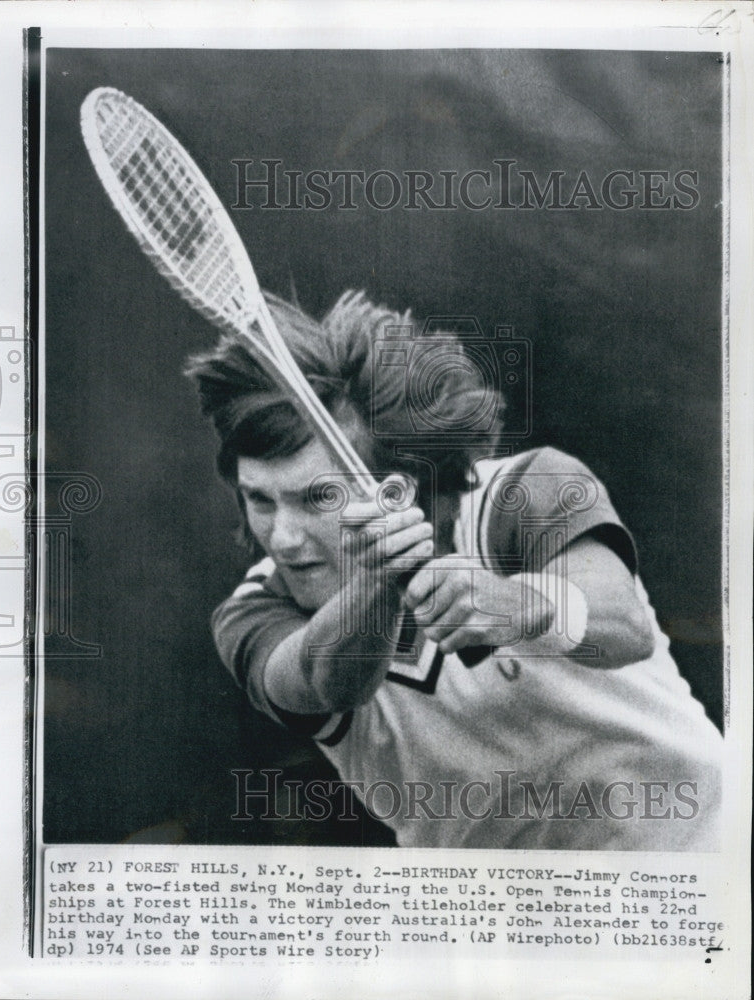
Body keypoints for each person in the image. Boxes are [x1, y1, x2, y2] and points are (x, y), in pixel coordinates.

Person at [186, 290, 723, 850]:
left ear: (399, 483)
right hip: (512, 925)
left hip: (704, 858)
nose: (284, 538)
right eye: (261, 500)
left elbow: (624, 628)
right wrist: (380, 579)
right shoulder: (253, 611)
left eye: (318, 498)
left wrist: (518, 605)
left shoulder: (527, 489)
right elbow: (324, 682)